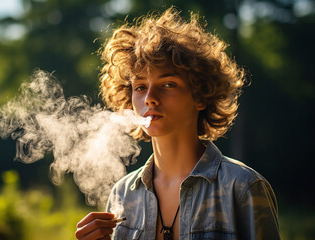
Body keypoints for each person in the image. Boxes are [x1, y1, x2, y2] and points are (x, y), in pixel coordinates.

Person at [75, 7, 280, 240]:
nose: (150, 98)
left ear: (201, 95)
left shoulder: (242, 188)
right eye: (140, 87)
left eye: (169, 84)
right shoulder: (122, 194)